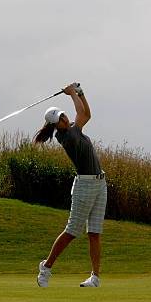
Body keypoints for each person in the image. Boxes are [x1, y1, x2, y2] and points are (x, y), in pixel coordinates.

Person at [34, 82, 107, 288]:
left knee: (94, 232)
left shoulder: (75, 129)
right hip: (84, 187)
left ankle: (95, 277)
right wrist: (72, 94)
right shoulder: (67, 137)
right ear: (55, 125)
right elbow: (80, 112)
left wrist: (80, 93)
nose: (65, 119)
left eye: (64, 116)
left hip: (100, 184)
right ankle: (46, 267)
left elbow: (86, 114)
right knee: (72, 231)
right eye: (60, 119)